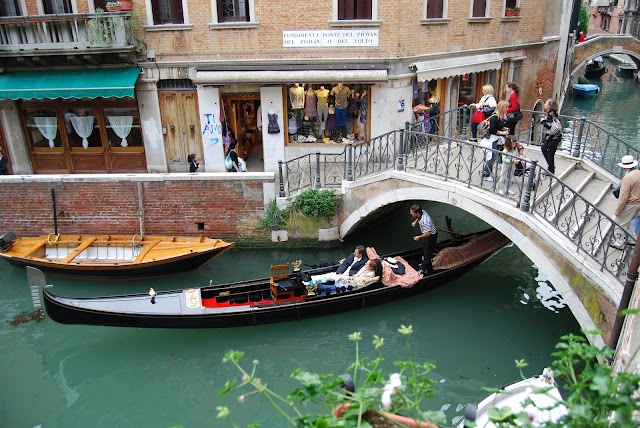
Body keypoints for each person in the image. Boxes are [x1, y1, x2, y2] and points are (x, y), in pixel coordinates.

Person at [303, 245, 369, 285]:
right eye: (354, 252)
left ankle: (311, 280)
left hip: (350, 277)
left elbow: (358, 271)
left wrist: (346, 275)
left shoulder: (364, 261)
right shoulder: (352, 255)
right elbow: (345, 264)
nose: (354, 253)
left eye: (356, 253)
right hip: (343, 273)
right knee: (328, 275)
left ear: (361, 254)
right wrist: (339, 272)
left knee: (330, 276)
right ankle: (311, 278)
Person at [612, 155, 640, 246]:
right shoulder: (638, 173)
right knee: (627, 222)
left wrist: (618, 209)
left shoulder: (628, 178)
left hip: (631, 204)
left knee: (619, 222)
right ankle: (632, 239)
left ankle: (619, 242)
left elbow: (623, 196)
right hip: (638, 204)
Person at [480, 100, 509, 181]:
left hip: (496, 140)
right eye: (505, 107)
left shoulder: (501, 116)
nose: (507, 109)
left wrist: (503, 129)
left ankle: (488, 172)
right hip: (492, 140)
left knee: (494, 156)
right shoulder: (495, 117)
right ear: (501, 107)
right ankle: (486, 174)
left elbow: (498, 126)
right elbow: (492, 129)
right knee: (492, 157)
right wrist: (502, 132)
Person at [409, 204, 438, 275]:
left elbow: (428, 234)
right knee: (424, 249)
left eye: (411, 212)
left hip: (431, 236)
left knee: (427, 253)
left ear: (417, 213)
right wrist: (416, 222)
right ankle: (426, 264)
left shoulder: (425, 221)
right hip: (427, 235)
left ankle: (424, 269)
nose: (410, 213)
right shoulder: (422, 212)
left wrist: (419, 237)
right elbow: (419, 217)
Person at [540, 98, 562, 175]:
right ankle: (551, 168)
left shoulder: (550, 114)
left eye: (546, 103)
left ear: (549, 106)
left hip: (553, 137)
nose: (545, 104)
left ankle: (551, 170)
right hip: (555, 137)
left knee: (547, 151)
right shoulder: (554, 113)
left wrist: (542, 121)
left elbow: (548, 126)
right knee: (546, 150)